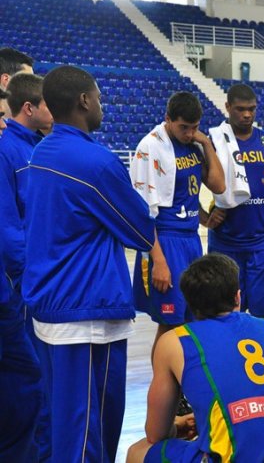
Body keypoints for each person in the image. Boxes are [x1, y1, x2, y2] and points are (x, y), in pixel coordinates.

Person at [22, 65, 155, 463]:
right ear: (83, 100)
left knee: (65, 428)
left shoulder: (42, 150)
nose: (101, 104)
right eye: (98, 96)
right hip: (85, 312)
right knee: (86, 437)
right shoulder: (95, 162)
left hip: (52, 305)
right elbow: (141, 231)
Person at [126, 253, 264, 463]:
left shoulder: (174, 341)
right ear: (238, 297)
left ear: (189, 304)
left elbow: (156, 433)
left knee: (138, 451)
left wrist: (176, 426)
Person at [130, 92, 225, 350]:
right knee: (170, 324)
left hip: (191, 240)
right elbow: (143, 212)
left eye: (195, 127)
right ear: (168, 119)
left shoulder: (194, 145)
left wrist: (206, 143)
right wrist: (159, 261)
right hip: (165, 241)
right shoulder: (150, 147)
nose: (189, 133)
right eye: (184, 127)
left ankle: (183, 375)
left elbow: (218, 185)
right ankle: (164, 376)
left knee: (192, 318)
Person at [0, 73, 53, 461]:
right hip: (21, 285)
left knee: (33, 379)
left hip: (30, 281)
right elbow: (9, 227)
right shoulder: (8, 150)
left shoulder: (38, 147)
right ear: (30, 107)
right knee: (27, 378)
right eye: (48, 103)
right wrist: (27, 276)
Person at [203, 84, 264, 320]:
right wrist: (205, 216)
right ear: (227, 107)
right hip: (224, 243)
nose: (247, 114)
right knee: (223, 316)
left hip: (263, 241)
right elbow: (188, 183)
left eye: (251, 109)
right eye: (240, 109)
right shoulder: (213, 142)